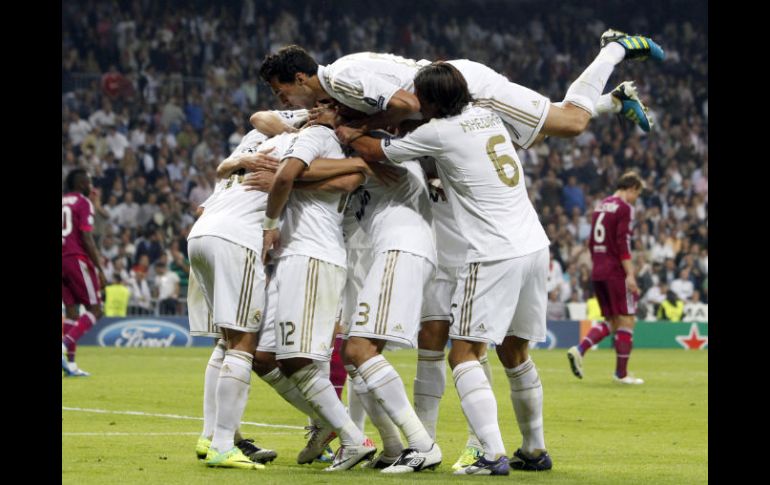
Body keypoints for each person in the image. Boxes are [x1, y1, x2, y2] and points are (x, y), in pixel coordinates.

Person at [337, 62, 555, 475]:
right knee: (515, 350)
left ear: (433, 102)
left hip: (492, 251)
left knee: (464, 354)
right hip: (534, 244)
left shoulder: (437, 132)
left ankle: (490, 454)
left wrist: (350, 132)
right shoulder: (487, 116)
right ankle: (533, 449)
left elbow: (377, 152)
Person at [259, 29, 663, 148]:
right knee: (539, 134)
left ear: (299, 79)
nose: (284, 101)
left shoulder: (344, 79)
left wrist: (361, 128)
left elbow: (404, 102)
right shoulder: (339, 78)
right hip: (451, 93)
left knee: (571, 123)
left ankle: (614, 48)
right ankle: (615, 100)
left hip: (465, 88)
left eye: (282, 92)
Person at [261, 120, 377, 471]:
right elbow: (261, 120)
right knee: (263, 356)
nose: (314, 108)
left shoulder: (323, 137)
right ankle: (327, 421)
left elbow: (286, 177)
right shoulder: (312, 137)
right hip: (293, 258)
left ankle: (353, 438)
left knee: (298, 358)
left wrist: (287, 181)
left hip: (312, 256)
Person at [567, 171, 645, 385]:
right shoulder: (625, 207)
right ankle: (621, 374)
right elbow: (623, 242)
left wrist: (599, 264)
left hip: (599, 270)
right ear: (631, 188)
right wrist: (629, 274)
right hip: (615, 271)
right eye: (637, 193)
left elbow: (592, 242)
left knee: (612, 321)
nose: (636, 198)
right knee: (627, 320)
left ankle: (580, 349)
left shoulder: (601, 206)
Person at [62, 169, 106, 377]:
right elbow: (87, 238)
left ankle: (70, 364)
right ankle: (64, 345)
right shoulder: (83, 202)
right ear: (81, 184)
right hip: (75, 258)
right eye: (89, 182)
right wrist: (99, 268)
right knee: (96, 309)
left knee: (71, 312)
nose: (92, 186)